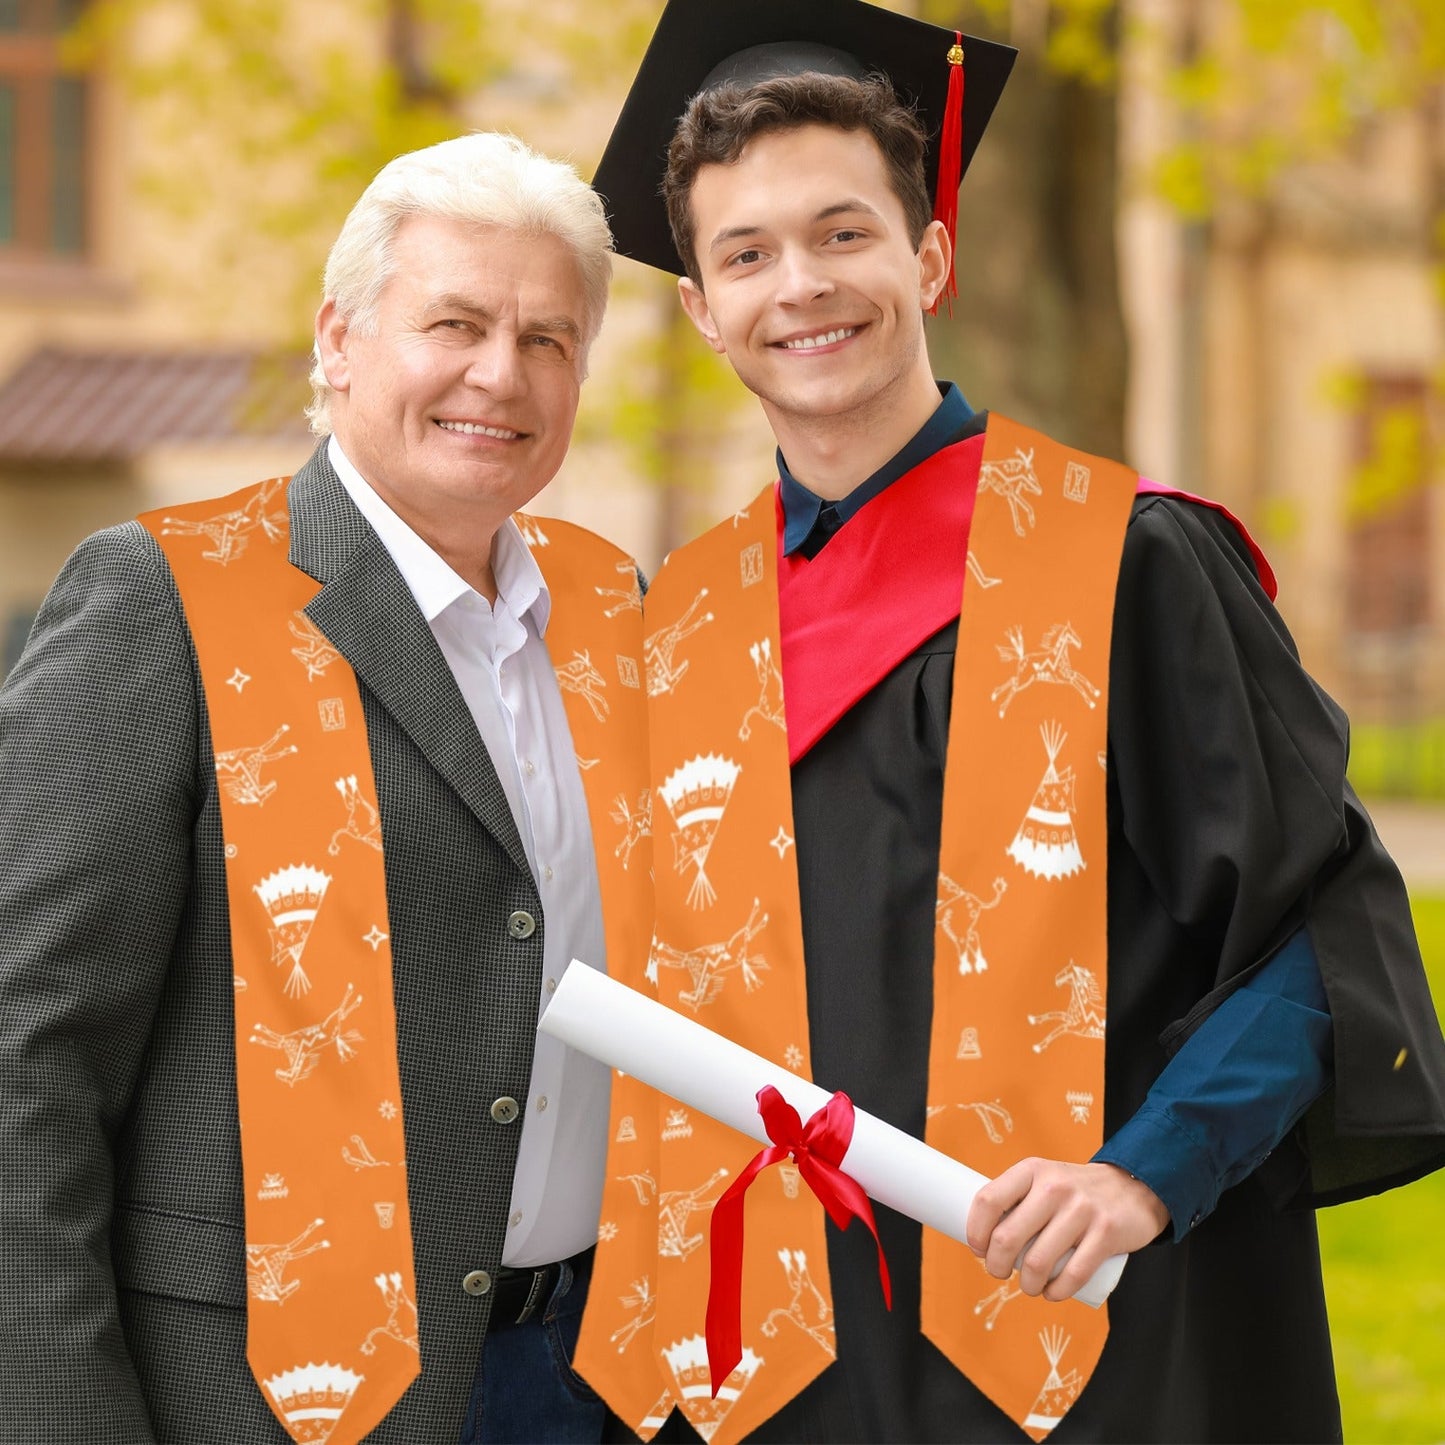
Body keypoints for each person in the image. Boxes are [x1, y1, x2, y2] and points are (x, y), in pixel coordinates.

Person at [572, 2, 1445, 1441]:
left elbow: (1316, 931)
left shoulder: (1126, 562)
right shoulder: (683, 624)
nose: (800, 285)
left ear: (928, 254)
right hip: (779, 1368)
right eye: (745, 254)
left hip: (1085, 1333)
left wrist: (1144, 1172)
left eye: (842, 233)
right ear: (700, 307)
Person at [0, 132, 653, 1444]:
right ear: (339, 339)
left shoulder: (615, 609)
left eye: (547, 338)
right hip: (261, 1395)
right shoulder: (167, 597)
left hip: (591, 1379)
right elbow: (28, 1060)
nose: (498, 373)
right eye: (454, 322)